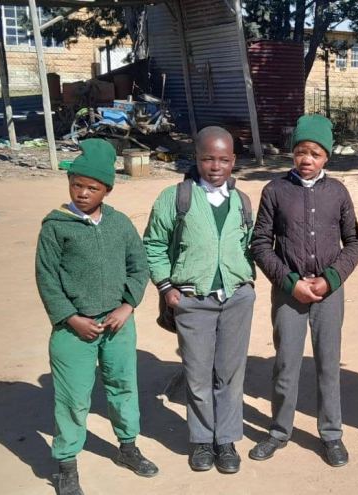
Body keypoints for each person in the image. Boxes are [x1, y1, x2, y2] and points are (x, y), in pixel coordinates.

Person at [34, 138, 158, 495]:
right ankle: (66, 465)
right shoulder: (56, 226)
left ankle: (128, 447)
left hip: (118, 324)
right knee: (73, 396)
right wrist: (71, 318)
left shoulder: (119, 224)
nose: (83, 193)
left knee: (123, 385)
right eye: (77, 185)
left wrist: (127, 306)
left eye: (93, 188)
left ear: (107, 190)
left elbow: (139, 266)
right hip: (73, 328)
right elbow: (47, 278)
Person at [248, 114, 358, 467]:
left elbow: (354, 242)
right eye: (301, 151)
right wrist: (289, 282)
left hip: (329, 292)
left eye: (315, 153)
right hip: (289, 294)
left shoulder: (338, 192)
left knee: (328, 363)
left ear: (327, 156)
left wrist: (331, 278)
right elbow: (260, 244)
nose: (307, 159)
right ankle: (279, 431)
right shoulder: (275, 191)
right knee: (286, 363)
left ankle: (331, 433)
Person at [143, 127, 256, 475]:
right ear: (196, 158)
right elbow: (154, 244)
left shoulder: (241, 201)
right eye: (208, 158)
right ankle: (202, 440)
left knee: (230, 374)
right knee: (198, 374)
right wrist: (166, 287)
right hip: (192, 300)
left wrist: (246, 282)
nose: (215, 166)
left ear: (233, 161)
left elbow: (249, 244)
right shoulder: (176, 198)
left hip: (236, 299)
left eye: (223, 159)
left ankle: (227, 440)